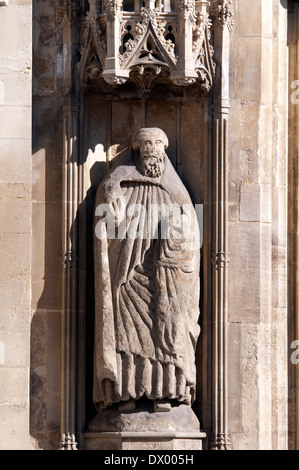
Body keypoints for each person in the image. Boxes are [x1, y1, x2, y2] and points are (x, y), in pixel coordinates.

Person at [93, 127, 200, 412]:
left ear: (164, 148)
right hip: (127, 270)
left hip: (165, 271)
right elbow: (105, 221)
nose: (151, 149)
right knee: (126, 325)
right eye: (146, 144)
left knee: (168, 325)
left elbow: (192, 229)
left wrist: (175, 236)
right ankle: (124, 392)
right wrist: (110, 198)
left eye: (156, 143)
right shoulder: (117, 180)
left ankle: (167, 391)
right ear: (137, 149)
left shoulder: (175, 189)